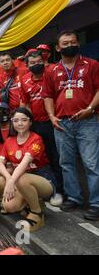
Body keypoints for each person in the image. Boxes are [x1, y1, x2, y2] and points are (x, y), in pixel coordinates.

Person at [42, 30, 99, 221]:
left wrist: (91, 108)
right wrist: (51, 116)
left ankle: (96, 203)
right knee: (66, 163)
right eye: (65, 44)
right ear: (58, 48)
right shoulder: (51, 71)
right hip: (62, 123)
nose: (69, 46)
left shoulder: (91, 65)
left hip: (86, 121)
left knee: (91, 163)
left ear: (78, 44)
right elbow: (48, 95)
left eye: (72, 42)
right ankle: (74, 197)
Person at [0, 108, 55, 232]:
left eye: (24, 120)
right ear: (12, 122)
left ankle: (37, 213)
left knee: (21, 178)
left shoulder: (36, 139)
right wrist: (8, 178)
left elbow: (25, 163)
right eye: (16, 120)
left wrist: (11, 181)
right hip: (20, 181)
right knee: (10, 206)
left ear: (30, 122)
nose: (20, 123)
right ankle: (32, 202)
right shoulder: (9, 141)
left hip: (43, 180)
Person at [20, 51, 63, 206]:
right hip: (36, 125)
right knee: (39, 158)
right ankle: (44, 188)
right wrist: (23, 122)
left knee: (56, 157)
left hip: (54, 123)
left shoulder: (52, 75)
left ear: (44, 61)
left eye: (39, 61)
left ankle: (59, 191)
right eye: (32, 63)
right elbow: (24, 104)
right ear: (27, 66)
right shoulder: (24, 80)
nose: (36, 64)